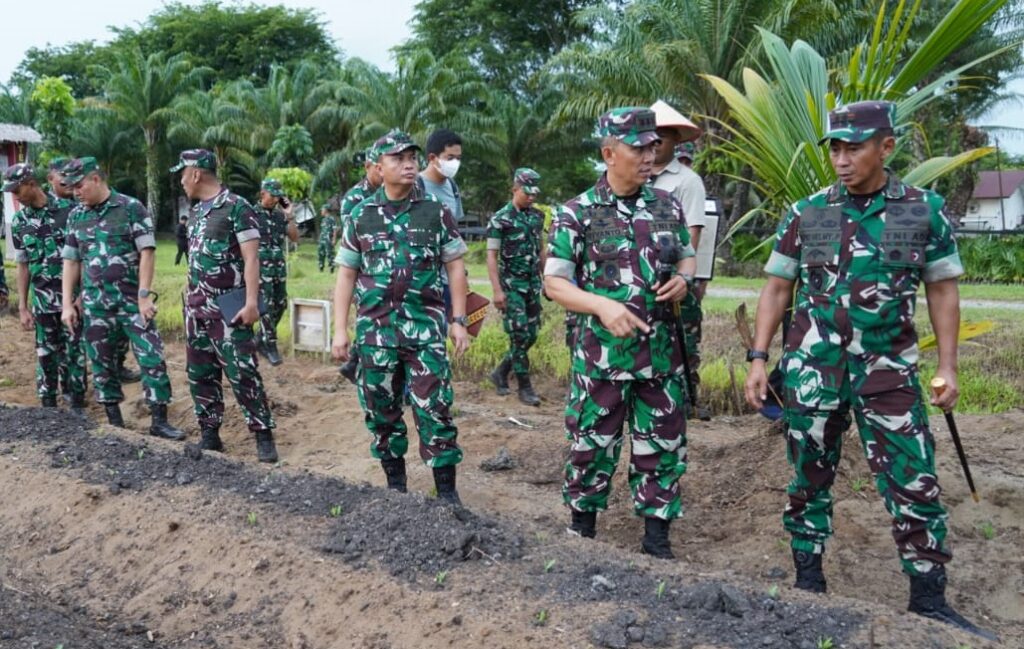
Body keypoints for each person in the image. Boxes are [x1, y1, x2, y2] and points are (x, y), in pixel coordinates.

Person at [743, 101, 995, 641]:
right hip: (815, 373)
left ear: (886, 146)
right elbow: (777, 287)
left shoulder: (919, 209)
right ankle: (807, 583)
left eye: (853, 147)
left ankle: (928, 598)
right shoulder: (809, 212)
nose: (841, 158)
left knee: (914, 480)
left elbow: (942, 290)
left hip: (889, 374)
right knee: (808, 479)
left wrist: (948, 367)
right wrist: (759, 358)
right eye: (834, 147)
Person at [544, 107, 696, 559]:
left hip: (661, 355)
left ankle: (656, 538)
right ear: (609, 153)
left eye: (653, 146)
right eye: (638, 147)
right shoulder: (577, 213)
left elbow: (686, 255)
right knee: (592, 445)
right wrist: (600, 304)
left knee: (663, 446)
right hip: (602, 360)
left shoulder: (667, 206)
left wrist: (684, 278)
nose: (649, 155)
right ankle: (582, 530)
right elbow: (554, 283)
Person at [331, 129, 470, 503]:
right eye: (397, 158)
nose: (408, 164)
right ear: (379, 166)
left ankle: (447, 494)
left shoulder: (436, 213)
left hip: (424, 333)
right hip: (375, 335)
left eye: (411, 157)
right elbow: (346, 274)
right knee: (381, 413)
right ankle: (396, 490)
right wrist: (340, 331)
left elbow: (456, 268)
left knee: (435, 410)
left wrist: (459, 321)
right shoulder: (361, 216)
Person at [59, 157, 184, 440]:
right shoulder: (76, 216)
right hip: (95, 307)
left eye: (79, 185)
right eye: (70, 187)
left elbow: (147, 252)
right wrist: (68, 303)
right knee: (102, 365)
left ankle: (159, 422)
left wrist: (143, 296)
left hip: (131, 303)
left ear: (96, 178)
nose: (75, 192)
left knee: (152, 359)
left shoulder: (130, 208)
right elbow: (71, 261)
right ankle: (115, 423)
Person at [171, 149, 279, 462]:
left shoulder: (236, 207)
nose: (181, 181)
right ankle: (210, 433)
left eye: (182, 174)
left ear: (195, 173)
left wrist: (250, 303)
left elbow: (251, 258)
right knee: (200, 372)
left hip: (228, 309)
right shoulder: (195, 211)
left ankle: (262, 435)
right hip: (196, 309)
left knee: (242, 372)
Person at [3, 163, 87, 412]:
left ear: (31, 184)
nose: (14, 197)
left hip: (71, 300)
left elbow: (83, 258)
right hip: (41, 301)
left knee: (74, 352)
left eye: (17, 191)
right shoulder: (20, 221)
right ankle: (47, 404)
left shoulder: (70, 211)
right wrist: (22, 306)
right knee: (45, 353)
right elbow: (23, 265)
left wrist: (82, 297)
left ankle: (76, 402)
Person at [650, 100, 710, 421]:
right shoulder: (633, 177)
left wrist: (683, 277)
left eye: (663, 137)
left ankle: (687, 400)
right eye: (650, 136)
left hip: (674, 277)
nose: (655, 143)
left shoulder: (686, 181)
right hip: (642, 280)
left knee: (684, 341)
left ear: (676, 141)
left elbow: (693, 234)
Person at [486, 167, 545, 406]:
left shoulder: (537, 217)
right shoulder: (500, 219)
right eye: (527, 193)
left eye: (534, 194)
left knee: (531, 334)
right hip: (511, 286)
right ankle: (524, 387)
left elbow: (541, 249)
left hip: (532, 284)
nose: (531, 198)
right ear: (515, 189)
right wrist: (497, 290)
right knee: (519, 335)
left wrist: (547, 278)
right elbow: (491, 256)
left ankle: (500, 371)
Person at [337, 146, 384, 384]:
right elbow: (353, 240)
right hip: (363, 269)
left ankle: (355, 363)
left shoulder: (401, 192)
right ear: (368, 167)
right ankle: (362, 366)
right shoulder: (354, 199)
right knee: (369, 317)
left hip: (388, 270)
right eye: (378, 167)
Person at [253, 177, 298, 366]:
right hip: (260, 267)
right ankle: (269, 344)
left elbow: (295, 237)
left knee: (281, 304)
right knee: (267, 305)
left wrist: (290, 214)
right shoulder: (251, 213)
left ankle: (259, 338)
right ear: (263, 193)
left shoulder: (280, 216)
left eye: (278, 197)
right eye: (273, 196)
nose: (275, 200)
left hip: (278, 267)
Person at [317, 199, 339, 273]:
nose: (321, 211)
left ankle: (331, 266)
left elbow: (335, 229)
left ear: (326, 210)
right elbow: (322, 230)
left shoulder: (331, 219)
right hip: (322, 239)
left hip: (328, 239)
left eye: (322, 210)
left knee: (330, 253)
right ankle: (321, 266)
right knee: (320, 252)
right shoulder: (323, 220)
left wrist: (334, 239)